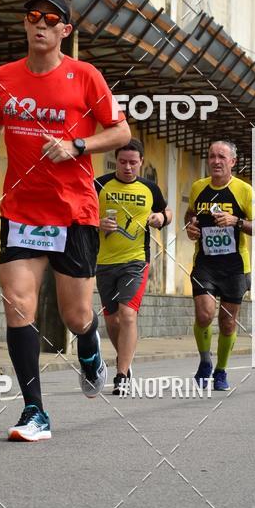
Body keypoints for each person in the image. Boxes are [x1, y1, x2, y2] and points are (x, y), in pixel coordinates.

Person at [0, 0, 130, 441]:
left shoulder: (84, 76)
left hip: (73, 212)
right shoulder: (4, 76)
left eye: (50, 19)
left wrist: (77, 145)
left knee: (75, 315)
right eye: (32, 17)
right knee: (18, 305)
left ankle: (89, 341)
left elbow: (120, 131)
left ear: (65, 30)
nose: (39, 24)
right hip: (21, 210)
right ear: (25, 25)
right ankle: (34, 411)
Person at [95, 138, 172, 395]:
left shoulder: (150, 188)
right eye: (122, 162)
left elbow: (167, 211)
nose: (128, 167)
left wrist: (162, 217)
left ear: (141, 162)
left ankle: (121, 375)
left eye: (133, 163)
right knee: (112, 320)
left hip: (136, 261)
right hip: (104, 262)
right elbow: (78, 214)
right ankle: (124, 361)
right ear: (115, 160)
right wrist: (98, 224)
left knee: (128, 315)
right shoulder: (99, 185)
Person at [184, 140, 255, 390]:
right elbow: (190, 214)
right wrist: (190, 227)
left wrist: (236, 221)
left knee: (227, 322)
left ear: (232, 162)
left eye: (222, 157)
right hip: (204, 263)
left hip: (235, 266)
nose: (216, 161)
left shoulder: (244, 190)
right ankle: (205, 362)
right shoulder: (198, 187)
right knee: (204, 315)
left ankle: (221, 370)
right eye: (212, 156)